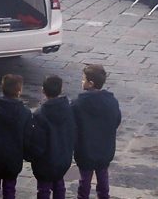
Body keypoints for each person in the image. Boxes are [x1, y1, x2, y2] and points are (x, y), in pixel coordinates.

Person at [72, 64, 121, 199]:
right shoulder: (112, 101)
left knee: (85, 180)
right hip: (105, 148)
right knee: (103, 176)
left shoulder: (78, 103)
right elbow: (116, 120)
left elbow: (72, 125)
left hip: (85, 149)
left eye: (83, 79)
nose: (82, 82)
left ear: (90, 83)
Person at [30, 75, 76, 199]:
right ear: (61, 90)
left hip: (45, 161)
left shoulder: (40, 114)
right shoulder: (69, 109)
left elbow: (38, 143)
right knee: (59, 184)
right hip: (63, 158)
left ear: (43, 91)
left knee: (44, 189)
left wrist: (31, 156)